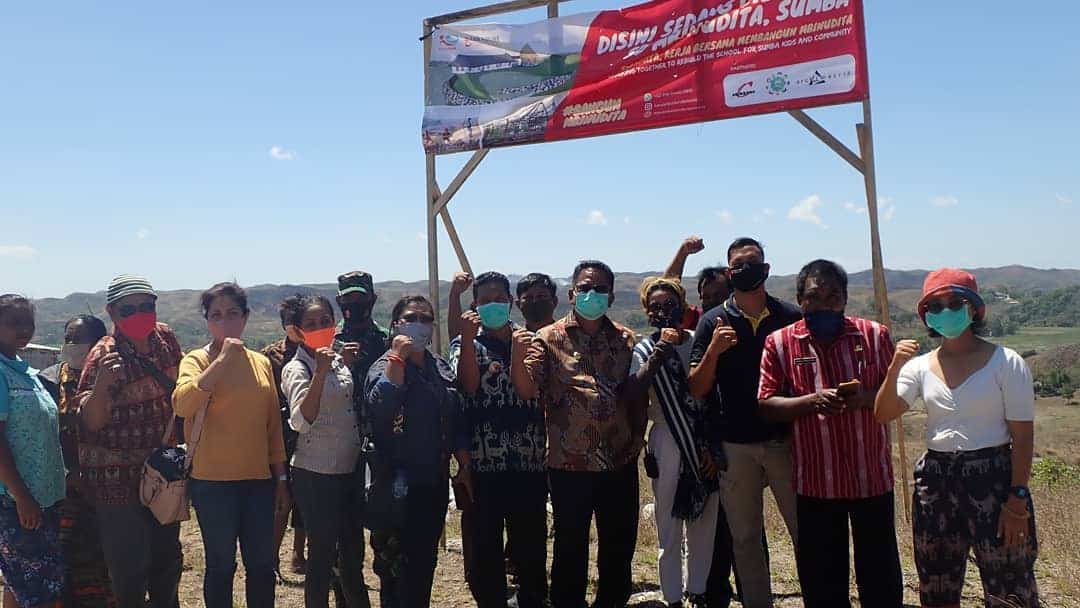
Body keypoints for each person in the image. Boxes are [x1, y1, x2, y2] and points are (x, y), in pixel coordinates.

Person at [876, 268, 1039, 608]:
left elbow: (1022, 437)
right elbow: (884, 412)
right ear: (926, 317)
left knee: (1010, 580)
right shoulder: (918, 367)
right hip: (936, 480)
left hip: (993, 477)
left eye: (954, 302)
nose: (944, 311)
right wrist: (893, 368)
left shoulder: (1006, 362)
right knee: (936, 582)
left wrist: (1017, 498)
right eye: (934, 306)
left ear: (975, 309)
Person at [757, 260, 902, 608]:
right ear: (800, 300)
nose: (825, 304)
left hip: (871, 479)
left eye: (833, 296)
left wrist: (864, 399)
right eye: (814, 297)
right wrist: (811, 402)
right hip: (816, 482)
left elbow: (896, 394)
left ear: (845, 299)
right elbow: (765, 403)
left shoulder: (874, 335)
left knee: (880, 575)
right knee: (822, 581)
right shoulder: (779, 343)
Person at [512, 260, 643, 608]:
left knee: (618, 547)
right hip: (570, 465)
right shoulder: (548, 338)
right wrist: (517, 355)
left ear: (611, 296)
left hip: (619, 461)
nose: (592, 294)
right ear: (571, 294)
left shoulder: (626, 339)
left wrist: (637, 441)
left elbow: (637, 395)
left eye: (600, 289)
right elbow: (527, 390)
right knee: (570, 548)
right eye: (585, 288)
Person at [687, 239, 801, 608]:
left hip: (786, 442)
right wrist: (714, 352)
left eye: (752, 263)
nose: (745, 270)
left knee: (806, 533)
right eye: (738, 265)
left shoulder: (791, 317)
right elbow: (697, 388)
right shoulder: (712, 322)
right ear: (728, 272)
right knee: (746, 538)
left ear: (765, 270)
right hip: (735, 446)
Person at [172, 282, 290, 608]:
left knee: (262, 567)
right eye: (216, 315)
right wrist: (222, 360)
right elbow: (183, 405)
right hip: (212, 485)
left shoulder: (261, 363)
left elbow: (272, 429)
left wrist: (281, 480)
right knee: (221, 566)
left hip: (258, 483)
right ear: (207, 321)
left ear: (246, 317)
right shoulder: (196, 360)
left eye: (233, 313)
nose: (225, 321)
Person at [76, 275, 184, 608]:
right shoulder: (103, 355)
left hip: (161, 473)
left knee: (168, 560)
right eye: (129, 309)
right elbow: (91, 421)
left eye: (147, 306)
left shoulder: (165, 338)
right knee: (129, 569)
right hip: (116, 479)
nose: (140, 314)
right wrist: (103, 383)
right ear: (111, 312)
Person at [365, 295, 472, 608]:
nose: (420, 324)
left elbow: (455, 416)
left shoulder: (438, 366)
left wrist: (464, 465)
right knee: (395, 571)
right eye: (411, 317)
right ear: (396, 324)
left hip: (432, 483)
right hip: (394, 488)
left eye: (426, 319)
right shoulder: (385, 364)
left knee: (423, 566)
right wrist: (399, 357)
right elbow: (380, 407)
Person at [448, 272, 548, 608]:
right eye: (485, 299)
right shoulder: (466, 344)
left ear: (511, 302)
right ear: (475, 305)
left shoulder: (532, 341)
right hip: (482, 464)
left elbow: (528, 390)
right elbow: (469, 386)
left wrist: (518, 353)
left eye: (499, 298)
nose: (493, 305)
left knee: (530, 545)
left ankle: (532, 600)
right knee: (483, 548)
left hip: (528, 463)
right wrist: (464, 338)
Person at [628, 277, 719, 608]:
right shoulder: (643, 349)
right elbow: (634, 392)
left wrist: (712, 446)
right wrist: (661, 349)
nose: (663, 311)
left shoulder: (699, 342)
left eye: (670, 305)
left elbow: (711, 395)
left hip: (702, 437)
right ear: (646, 312)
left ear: (682, 307)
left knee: (703, 520)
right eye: (655, 307)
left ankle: (698, 590)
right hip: (666, 436)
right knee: (669, 523)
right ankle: (672, 596)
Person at [279, 294, 370, 608]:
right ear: (299, 331)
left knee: (352, 554)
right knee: (321, 557)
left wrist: (340, 365)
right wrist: (319, 372)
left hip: (348, 470)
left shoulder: (336, 361)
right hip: (316, 475)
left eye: (326, 322)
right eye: (312, 324)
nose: (320, 328)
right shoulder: (297, 369)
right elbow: (302, 420)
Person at [38, 315, 115, 608]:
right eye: (68, 338)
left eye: (80, 339)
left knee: (102, 556)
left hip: (106, 485)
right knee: (64, 553)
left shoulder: (112, 380)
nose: (72, 345)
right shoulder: (48, 380)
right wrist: (69, 472)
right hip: (63, 487)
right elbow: (43, 434)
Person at [0, 295, 66, 608]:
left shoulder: (23, 370)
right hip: (17, 499)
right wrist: (22, 497)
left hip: (44, 495)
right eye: (14, 322)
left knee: (20, 583)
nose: (24, 329)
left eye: (28, 322)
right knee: (37, 589)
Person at [332, 271, 387, 607]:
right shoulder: (329, 342)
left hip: (380, 449)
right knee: (345, 540)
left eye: (360, 298)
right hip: (340, 451)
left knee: (384, 536)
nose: (354, 305)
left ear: (372, 299)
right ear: (340, 302)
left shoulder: (386, 339)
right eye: (347, 299)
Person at [262, 307, 308, 576]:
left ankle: (298, 556)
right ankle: (272, 561)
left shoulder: (318, 351)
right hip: (280, 436)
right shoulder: (270, 355)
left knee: (304, 502)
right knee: (282, 501)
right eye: (289, 322)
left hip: (311, 435)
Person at [663, 236, 732, 327]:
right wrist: (683, 252)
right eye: (706, 297)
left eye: (718, 295)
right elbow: (666, 291)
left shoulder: (747, 319)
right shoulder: (693, 319)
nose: (712, 301)